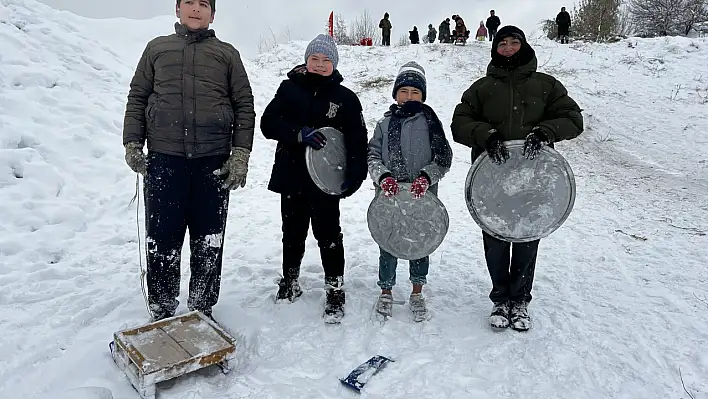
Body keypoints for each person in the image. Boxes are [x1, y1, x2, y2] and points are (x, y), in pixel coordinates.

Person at [122, 0, 255, 322]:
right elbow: (138, 96)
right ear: (178, 9)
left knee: (209, 238)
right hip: (165, 159)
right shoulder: (157, 49)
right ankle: (162, 309)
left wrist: (240, 154)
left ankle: (202, 307)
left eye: (203, 4)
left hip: (213, 161)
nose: (196, 9)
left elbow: (244, 105)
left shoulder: (226, 54)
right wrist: (132, 143)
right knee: (162, 238)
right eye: (189, 3)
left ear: (212, 14)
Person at [450, 26, 583, 331]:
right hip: (492, 180)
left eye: (514, 42)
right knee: (495, 240)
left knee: (526, 239)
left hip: (535, 181)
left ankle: (519, 301)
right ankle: (500, 299)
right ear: (495, 48)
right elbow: (460, 123)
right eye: (502, 43)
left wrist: (545, 132)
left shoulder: (546, 85)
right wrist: (486, 135)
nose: (508, 47)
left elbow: (573, 120)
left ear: (523, 46)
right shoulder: (481, 89)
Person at [260, 34, 368, 323]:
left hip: (325, 181)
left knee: (329, 235)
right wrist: (298, 133)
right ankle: (290, 280)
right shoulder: (288, 89)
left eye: (326, 61)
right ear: (306, 61)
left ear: (334, 64)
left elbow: (357, 139)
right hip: (292, 176)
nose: (319, 65)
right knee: (292, 233)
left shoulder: (345, 99)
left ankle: (335, 288)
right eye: (314, 59)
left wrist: (355, 174)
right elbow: (268, 124)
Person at [367, 61, 453, 322]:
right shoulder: (385, 123)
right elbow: (371, 155)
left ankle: (417, 291)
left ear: (423, 96)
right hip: (390, 197)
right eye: (403, 91)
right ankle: (386, 290)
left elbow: (443, 158)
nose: (409, 97)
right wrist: (383, 177)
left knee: (420, 244)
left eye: (415, 92)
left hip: (422, 198)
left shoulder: (431, 123)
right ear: (395, 94)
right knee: (388, 243)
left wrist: (427, 178)